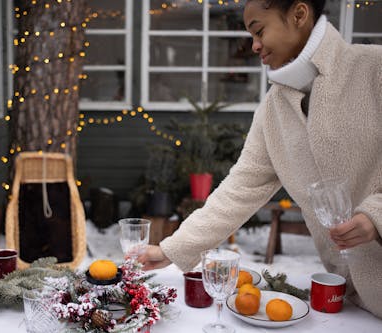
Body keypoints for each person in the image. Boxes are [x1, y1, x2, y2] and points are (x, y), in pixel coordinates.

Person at [138, 0, 382, 319]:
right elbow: (239, 189)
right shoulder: (274, 109)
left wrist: (375, 216)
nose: (253, 45)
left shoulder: (374, 69)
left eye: (259, 30)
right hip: (351, 298)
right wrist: (171, 249)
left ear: (298, 14)